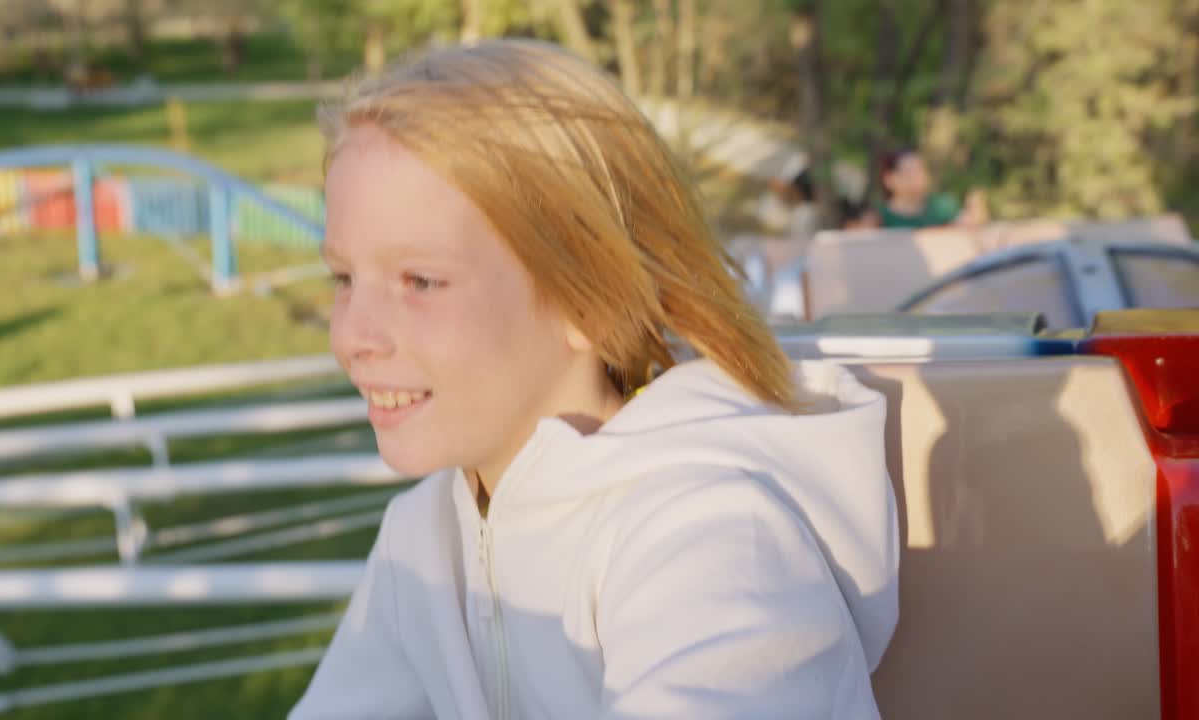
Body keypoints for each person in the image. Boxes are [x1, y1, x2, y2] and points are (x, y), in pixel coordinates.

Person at [290, 39, 898, 719]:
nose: (350, 337)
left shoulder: (708, 539)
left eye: (420, 281)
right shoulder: (423, 541)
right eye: (344, 278)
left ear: (592, 302)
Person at [879, 146, 988, 229]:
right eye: (908, 173)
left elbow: (967, 223)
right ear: (889, 179)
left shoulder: (942, 206)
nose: (916, 179)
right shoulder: (878, 217)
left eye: (920, 171)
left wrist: (976, 214)